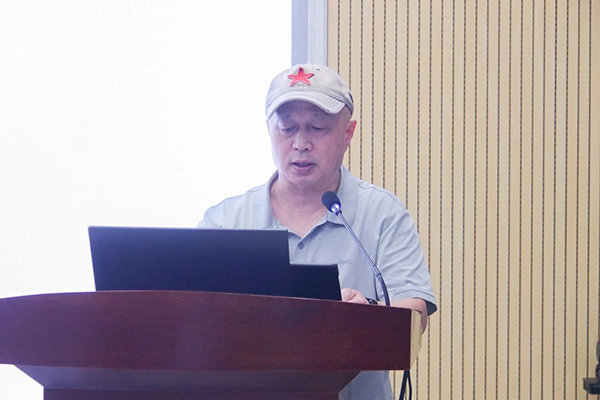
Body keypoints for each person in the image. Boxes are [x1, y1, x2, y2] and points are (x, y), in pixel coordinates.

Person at [198, 64, 437, 400]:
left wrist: (366, 312)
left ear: (348, 133)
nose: (300, 143)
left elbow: (414, 313)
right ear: (269, 130)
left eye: (317, 128)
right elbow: (195, 321)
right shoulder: (225, 221)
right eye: (287, 128)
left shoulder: (383, 214)